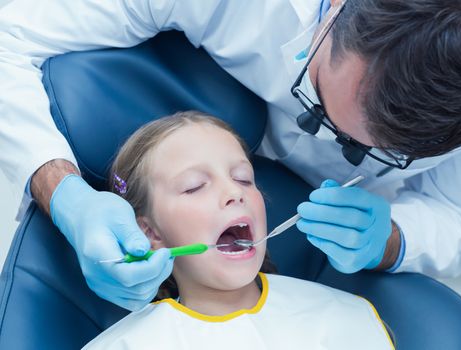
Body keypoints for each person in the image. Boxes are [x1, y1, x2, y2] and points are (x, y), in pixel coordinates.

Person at [0, 0, 461, 311]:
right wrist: (64, 193)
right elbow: (8, 36)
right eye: (318, 104)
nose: (240, 196)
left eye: (372, 151)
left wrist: (390, 241)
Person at [82, 111, 394, 349]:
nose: (235, 192)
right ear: (150, 233)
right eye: (194, 187)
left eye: (243, 178)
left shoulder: (342, 316)